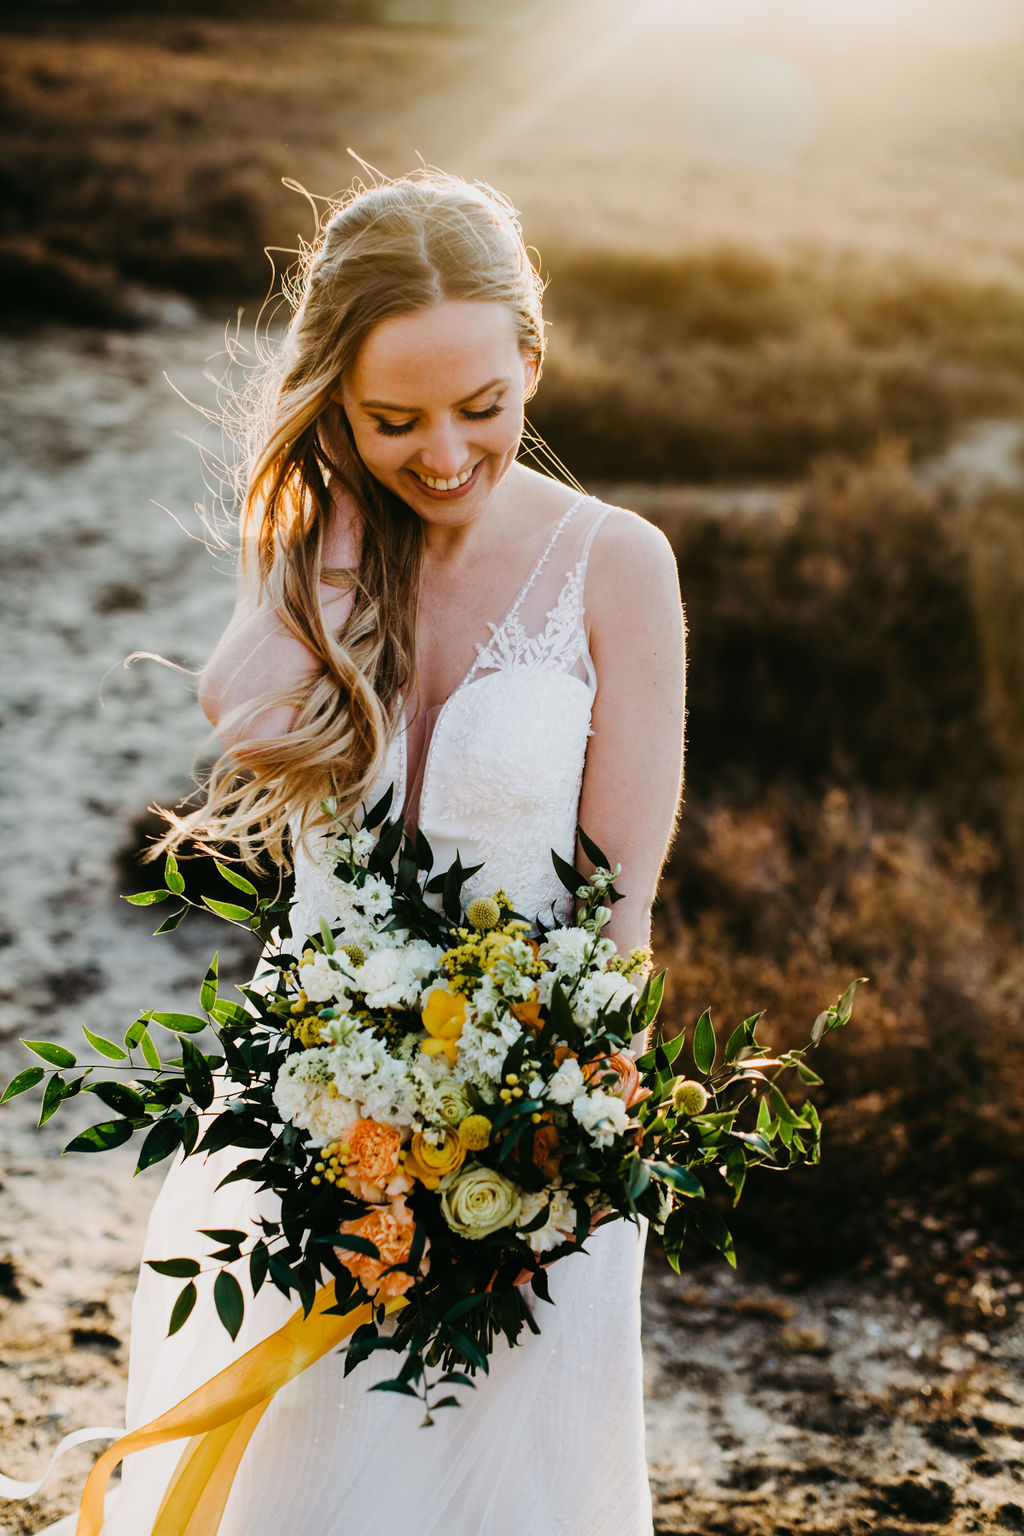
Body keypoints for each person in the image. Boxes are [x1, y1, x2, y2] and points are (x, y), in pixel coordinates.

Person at [47, 169, 686, 1535]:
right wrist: (335, 525)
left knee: (498, 1477)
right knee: (315, 1468)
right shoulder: (314, 547)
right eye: (394, 419)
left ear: (532, 360)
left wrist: (558, 1123)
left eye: (483, 408)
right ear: (334, 401)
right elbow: (258, 716)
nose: (445, 454)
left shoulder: (619, 567)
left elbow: (620, 900)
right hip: (317, 1098)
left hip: (539, 1105)